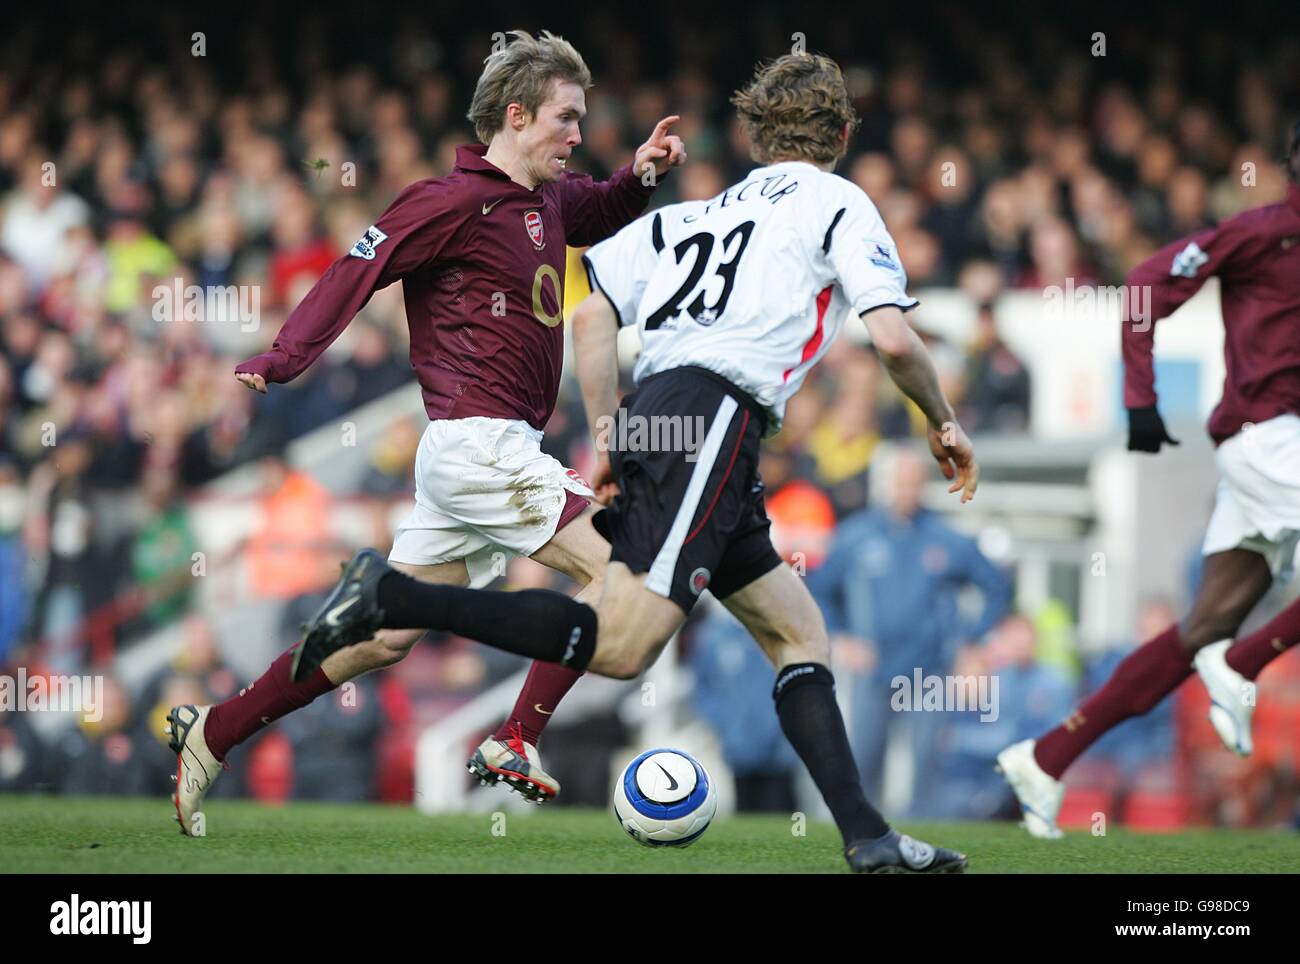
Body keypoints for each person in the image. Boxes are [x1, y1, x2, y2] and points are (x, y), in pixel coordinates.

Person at [299, 53, 978, 873]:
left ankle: (868, 838)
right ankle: (392, 592)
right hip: (716, 420)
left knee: (797, 630)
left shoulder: (692, 214)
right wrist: (944, 423)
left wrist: (613, 432)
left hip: (671, 416)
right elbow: (896, 339)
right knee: (622, 648)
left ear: (754, 136)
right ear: (840, 134)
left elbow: (593, 318)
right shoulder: (840, 202)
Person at [166, 30, 686, 835]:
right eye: (566, 118)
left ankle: (217, 730)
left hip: (481, 453)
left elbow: (603, 207)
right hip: (483, 445)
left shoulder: (545, 200)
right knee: (628, 570)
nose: (578, 135)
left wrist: (641, 174)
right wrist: (283, 356)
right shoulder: (448, 201)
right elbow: (354, 269)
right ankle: (518, 735)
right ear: (516, 116)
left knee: (385, 640)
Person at [997, 120, 1300, 839]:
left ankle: (1046, 755)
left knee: (1201, 626)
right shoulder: (1262, 231)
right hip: (1268, 440)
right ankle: (1245, 663)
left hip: (1275, 450)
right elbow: (1142, 283)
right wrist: (1140, 400)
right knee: (1221, 642)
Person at [809, 445, 1012, 817]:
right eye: (901, 482)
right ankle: (864, 839)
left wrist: (972, 645)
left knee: (926, 763)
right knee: (865, 759)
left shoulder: (944, 538)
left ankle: (926, 849)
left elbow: (998, 587)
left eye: (914, 482)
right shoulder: (856, 537)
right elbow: (818, 591)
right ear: (886, 485)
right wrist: (841, 637)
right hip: (874, 670)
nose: (907, 490)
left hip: (928, 671)